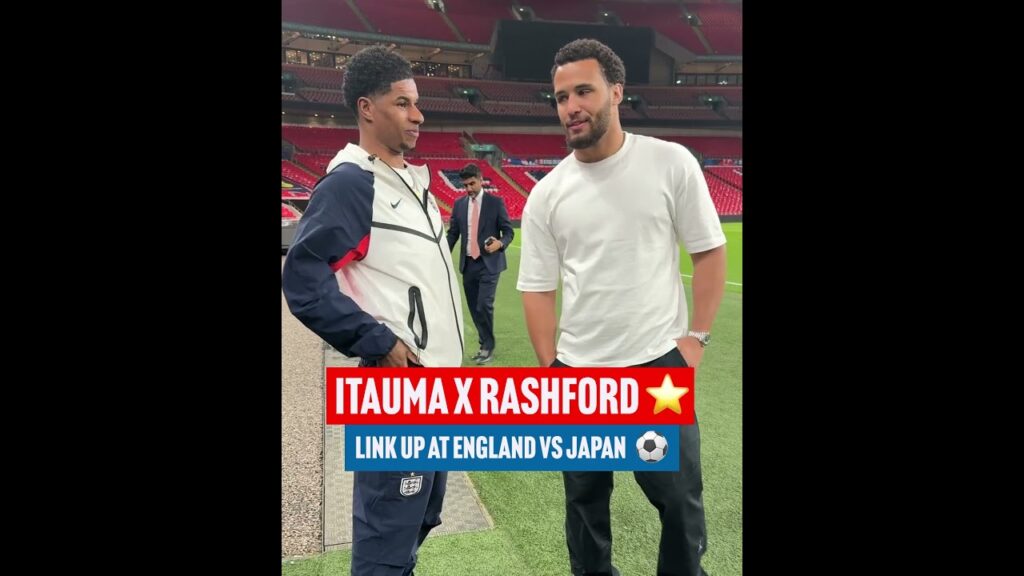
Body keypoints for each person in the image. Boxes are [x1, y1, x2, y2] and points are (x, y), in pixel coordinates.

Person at [516, 38, 727, 576]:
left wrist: (696, 341)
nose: (571, 107)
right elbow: (536, 288)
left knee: (679, 504)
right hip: (578, 375)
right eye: (561, 97)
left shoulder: (669, 162)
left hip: (656, 369)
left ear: (616, 91)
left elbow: (709, 252)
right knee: (585, 509)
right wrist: (550, 369)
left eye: (583, 91)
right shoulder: (547, 194)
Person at [282, 46, 463, 576]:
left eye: (417, 103)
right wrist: (377, 340)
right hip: (398, 392)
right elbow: (304, 278)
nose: (418, 115)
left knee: (418, 520)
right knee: (386, 538)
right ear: (366, 108)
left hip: (439, 390)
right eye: (403, 103)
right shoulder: (352, 183)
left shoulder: (411, 181)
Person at [446, 163, 514, 364]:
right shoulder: (459, 205)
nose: (468, 188)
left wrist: (500, 243)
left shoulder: (495, 203)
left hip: (489, 263)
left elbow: (508, 231)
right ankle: (484, 342)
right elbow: (453, 234)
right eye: (465, 185)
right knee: (475, 307)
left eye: (472, 184)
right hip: (468, 264)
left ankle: (487, 347)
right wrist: (441, 253)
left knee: (484, 304)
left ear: (481, 180)